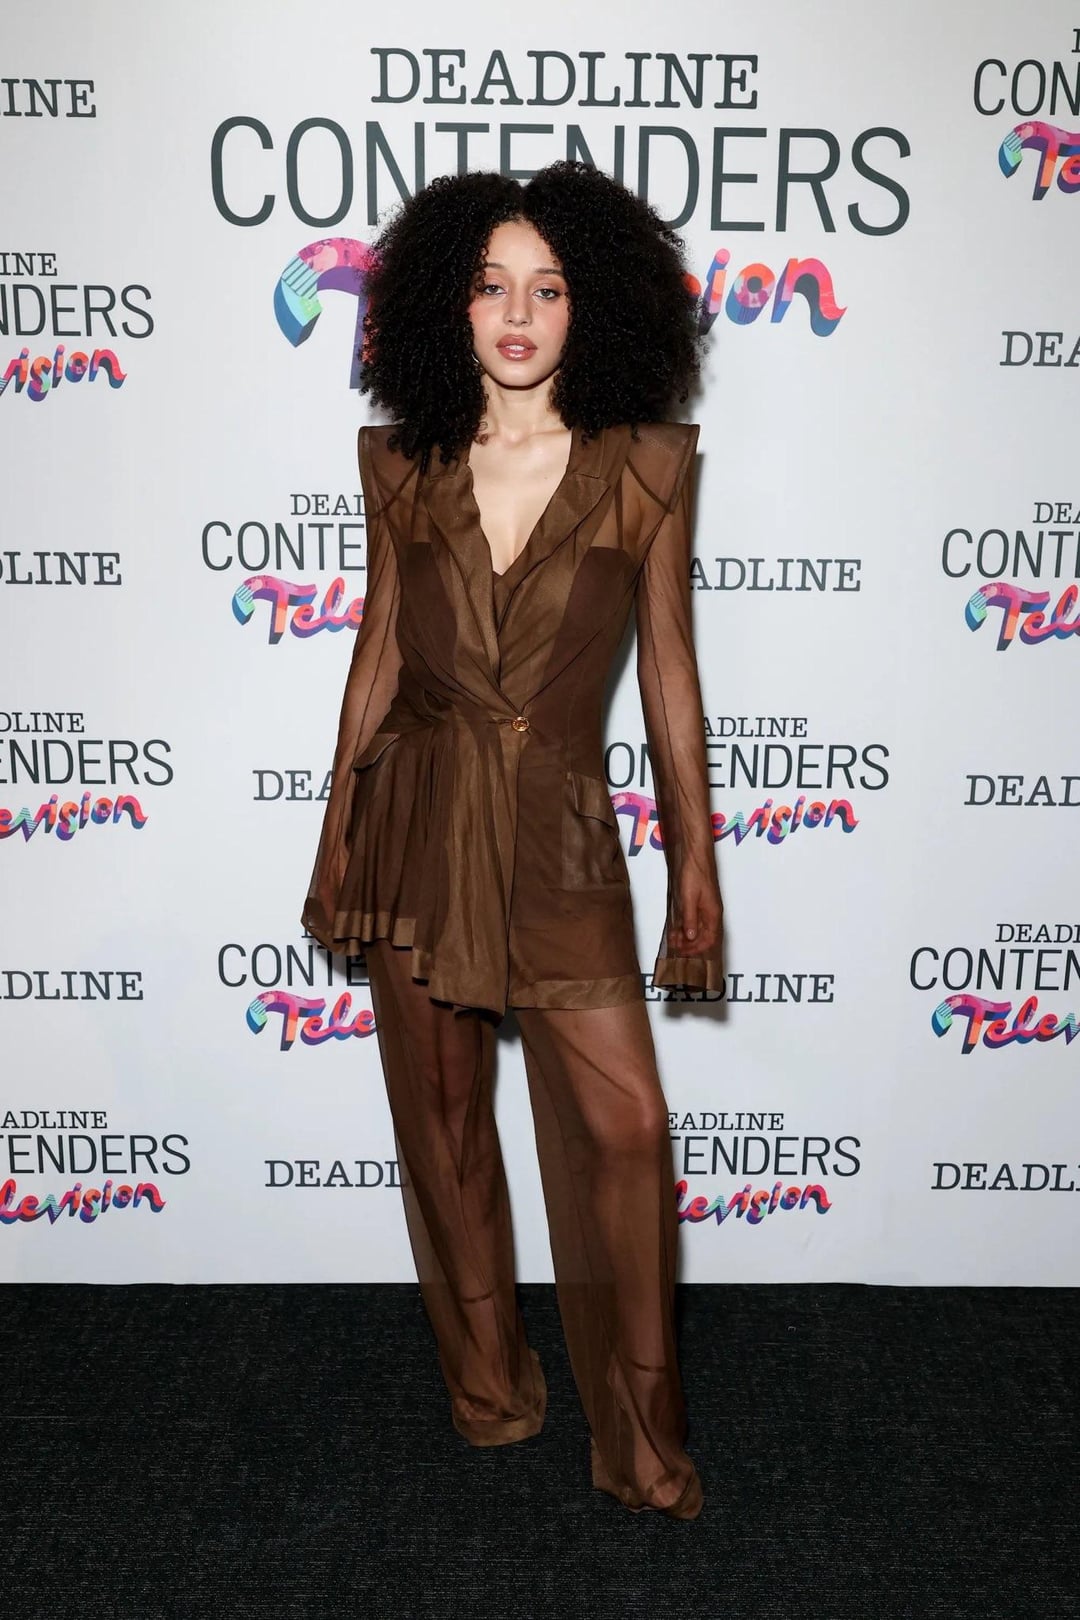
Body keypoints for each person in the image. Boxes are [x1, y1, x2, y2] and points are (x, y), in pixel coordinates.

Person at [301, 160, 724, 1520]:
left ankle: (641, 1439)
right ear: (452, 305)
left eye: (549, 288)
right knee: (439, 1124)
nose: (520, 315)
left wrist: (696, 868)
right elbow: (377, 652)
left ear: (591, 308)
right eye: (491, 287)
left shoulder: (646, 468)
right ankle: (489, 1388)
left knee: (629, 1123)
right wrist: (336, 830)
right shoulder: (401, 464)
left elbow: (670, 678)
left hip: (556, 832)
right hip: (418, 816)